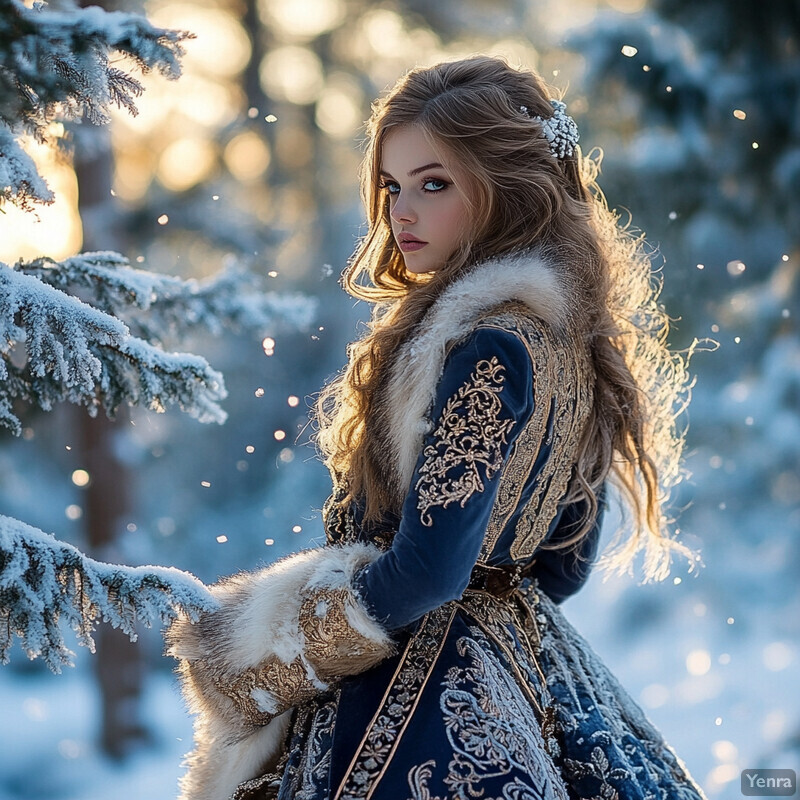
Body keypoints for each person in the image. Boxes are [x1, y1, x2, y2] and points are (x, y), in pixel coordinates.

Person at [167, 55, 708, 800]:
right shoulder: (573, 344)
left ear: (508, 189)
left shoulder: (484, 345)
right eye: (392, 186)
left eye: (435, 183)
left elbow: (429, 571)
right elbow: (560, 570)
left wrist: (275, 657)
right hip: (529, 661)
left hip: (418, 688)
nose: (402, 214)